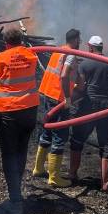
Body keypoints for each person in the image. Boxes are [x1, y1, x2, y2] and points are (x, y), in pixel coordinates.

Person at [0, 26, 41, 214]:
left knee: (9, 155)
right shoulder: (32, 56)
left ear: (5, 42)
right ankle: (17, 188)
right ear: (21, 40)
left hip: (9, 112)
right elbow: (25, 57)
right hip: (29, 112)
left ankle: (16, 201)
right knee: (21, 151)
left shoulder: (0, 58)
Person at [67, 35, 108, 192]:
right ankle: (106, 182)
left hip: (87, 105)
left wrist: (71, 97)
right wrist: (105, 90)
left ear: (90, 47)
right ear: (102, 47)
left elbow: (82, 86)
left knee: (77, 139)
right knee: (105, 143)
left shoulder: (84, 64)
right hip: (107, 106)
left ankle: (72, 174)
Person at [32, 28, 80, 188]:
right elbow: (64, 75)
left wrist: (78, 80)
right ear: (75, 40)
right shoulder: (71, 54)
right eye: (79, 40)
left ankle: (38, 168)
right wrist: (67, 97)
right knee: (60, 133)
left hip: (47, 94)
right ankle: (54, 177)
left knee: (46, 130)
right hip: (59, 98)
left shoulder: (58, 50)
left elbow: (63, 72)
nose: (79, 43)